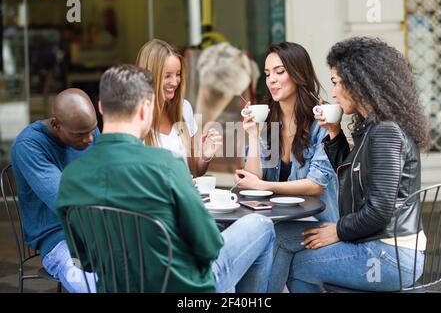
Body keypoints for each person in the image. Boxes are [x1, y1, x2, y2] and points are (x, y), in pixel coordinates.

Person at [56, 64, 275, 293]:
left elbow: (85, 260)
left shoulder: (71, 177)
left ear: (101, 108)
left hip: (117, 288)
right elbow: (209, 247)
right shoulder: (167, 164)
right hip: (184, 289)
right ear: (145, 109)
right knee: (260, 224)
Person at [279, 36, 430, 292]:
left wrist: (338, 230)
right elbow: (351, 175)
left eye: (337, 83)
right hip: (379, 243)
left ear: (359, 82)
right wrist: (334, 133)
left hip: (390, 254)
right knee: (282, 235)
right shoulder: (374, 126)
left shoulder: (385, 132)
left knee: (300, 266)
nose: (334, 92)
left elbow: (379, 211)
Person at [233, 42, 339, 291]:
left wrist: (263, 185)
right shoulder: (268, 117)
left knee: (273, 239)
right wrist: (253, 135)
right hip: (277, 219)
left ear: (298, 73)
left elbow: (316, 185)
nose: (272, 80)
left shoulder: (321, 119)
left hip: (317, 220)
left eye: (280, 72)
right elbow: (252, 179)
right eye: (268, 74)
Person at [11, 88, 99, 293]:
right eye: (80, 134)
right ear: (56, 125)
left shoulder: (87, 129)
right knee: (90, 284)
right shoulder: (29, 145)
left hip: (97, 227)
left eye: (92, 130)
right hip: (60, 238)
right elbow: (67, 201)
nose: (90, 139)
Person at [136, 39, 222, 177]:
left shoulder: (184, 108)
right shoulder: (135, 117)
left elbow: (195, 171)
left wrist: (205, 155)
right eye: (167, 76)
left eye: (178, 74)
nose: (175, 82)